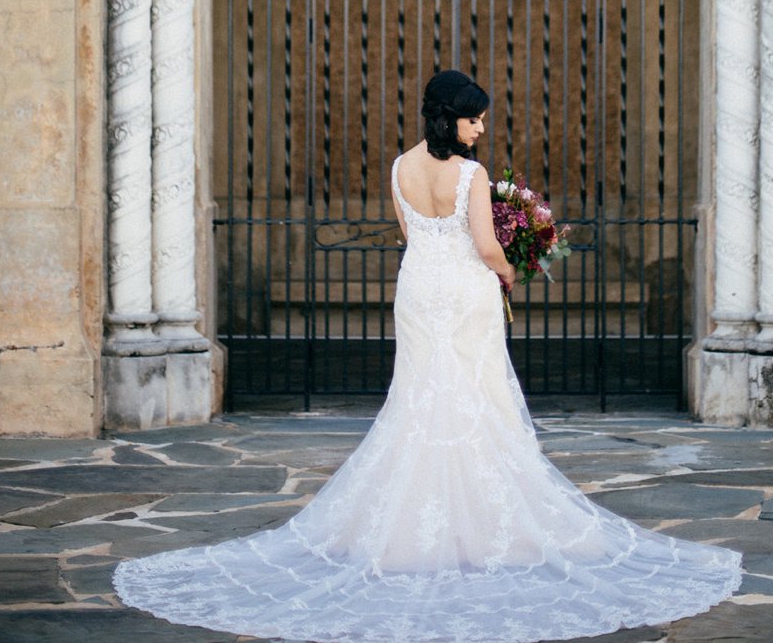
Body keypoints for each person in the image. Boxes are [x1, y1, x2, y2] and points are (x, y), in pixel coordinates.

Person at [114, 69, 741, 640]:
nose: (481, 128)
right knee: (475, 393)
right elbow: (484, 245)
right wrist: (510, 275)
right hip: (465, 288)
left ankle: (412, 532)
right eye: (475, 119)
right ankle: (487, 524)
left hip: (417, 288)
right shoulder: (470, 174)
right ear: (453, 119)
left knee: (419, 395)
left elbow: (412, 235)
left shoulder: (397, 168)